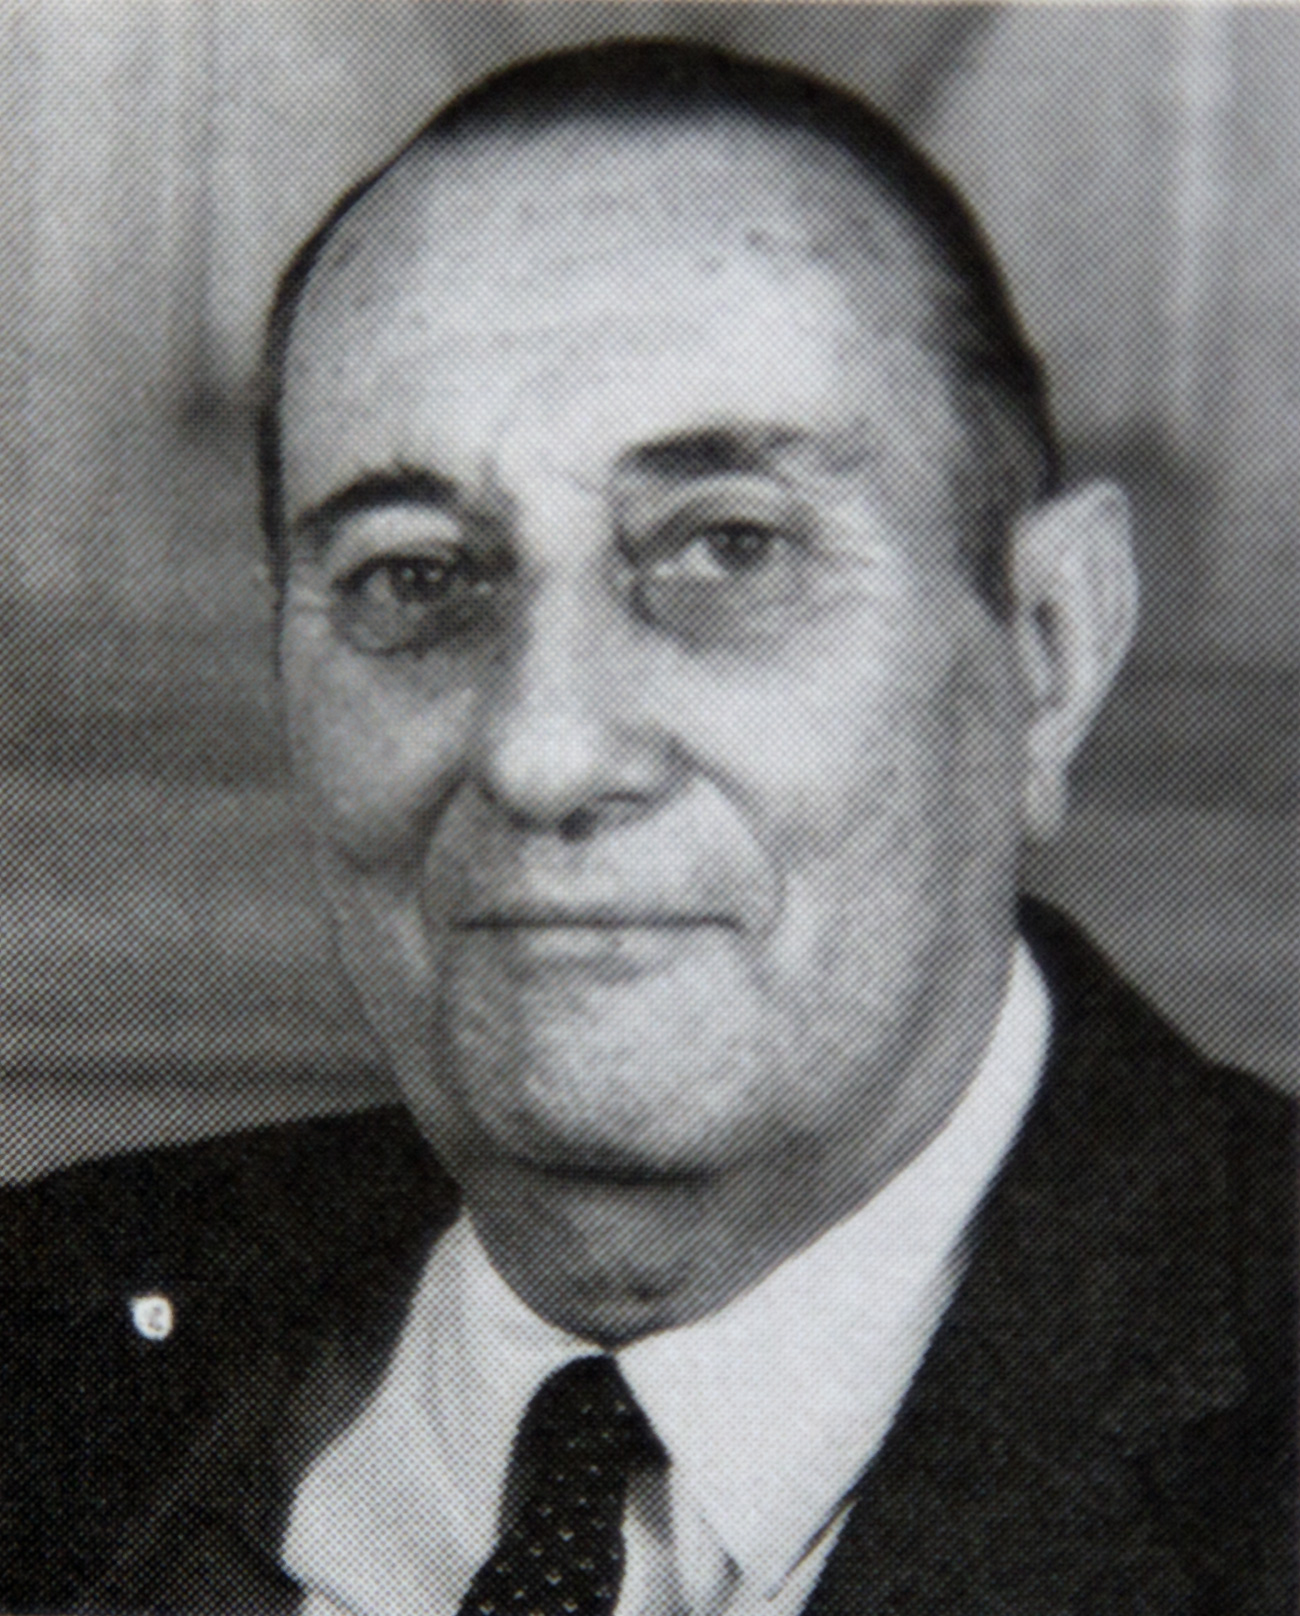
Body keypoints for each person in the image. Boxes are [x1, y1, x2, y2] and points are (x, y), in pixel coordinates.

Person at [1, 39, 1294, 1616]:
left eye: (729, 549)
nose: (542, 751)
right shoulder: (46, 1359)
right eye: (414, 575)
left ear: (1048, 648)